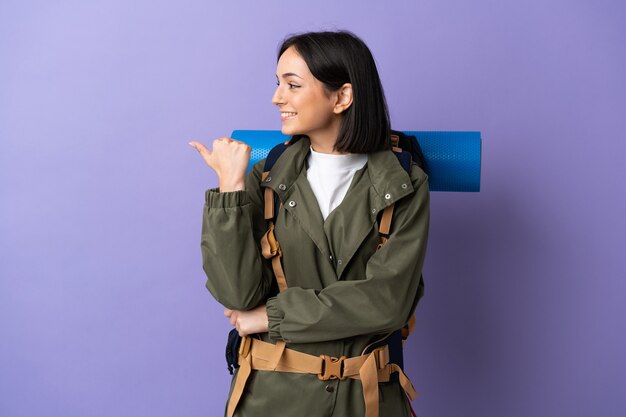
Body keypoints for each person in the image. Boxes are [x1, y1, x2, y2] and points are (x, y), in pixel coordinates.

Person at [189, 30, 429, 417]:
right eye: (278, 83)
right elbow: (237, 295)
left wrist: (271, 316)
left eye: (292, 85)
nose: (276, 97)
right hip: (270, 397)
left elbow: (388, 302)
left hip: (367, 399)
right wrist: (230, 189)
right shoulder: (265, 176)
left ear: (342, 97)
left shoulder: (403, 181)